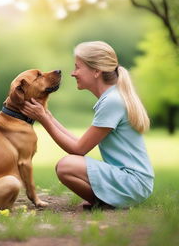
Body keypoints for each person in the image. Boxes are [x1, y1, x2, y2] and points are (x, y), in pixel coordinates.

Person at [21, 41, 154, 209]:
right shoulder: (112, 97)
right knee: (68, 164)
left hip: (133, 182)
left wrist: (44, 120)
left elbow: (78, 149)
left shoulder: (112, 102)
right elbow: (80, 143)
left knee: (66, 166)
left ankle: (105, 203)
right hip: (133, 181)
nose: (73, 73)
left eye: (77, 67)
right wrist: (48, 116)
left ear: (96, 71)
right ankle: (106, 201)